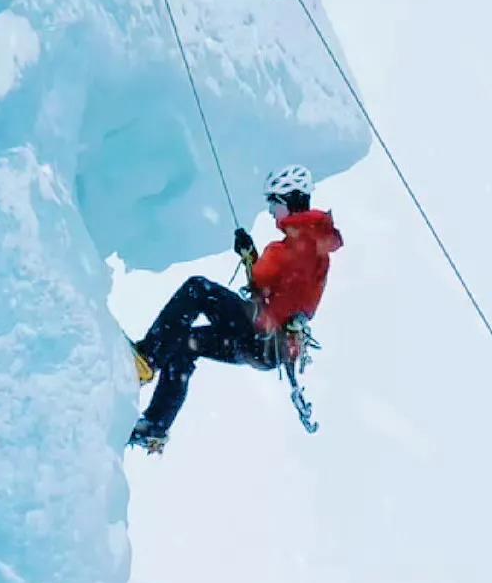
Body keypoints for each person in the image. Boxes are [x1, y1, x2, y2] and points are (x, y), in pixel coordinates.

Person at [128, 164, 343, 452]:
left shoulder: (300, 244)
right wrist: (251, 255)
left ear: (290, 200)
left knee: (197, 289)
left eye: (274, 203)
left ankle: (146, 360)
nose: (271, 211)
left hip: (259, 333)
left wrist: (252, 258)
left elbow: (264, 282)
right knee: (184, 345)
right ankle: (155, 425)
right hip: (267, 349)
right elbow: (279, 289)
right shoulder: (315, 245)